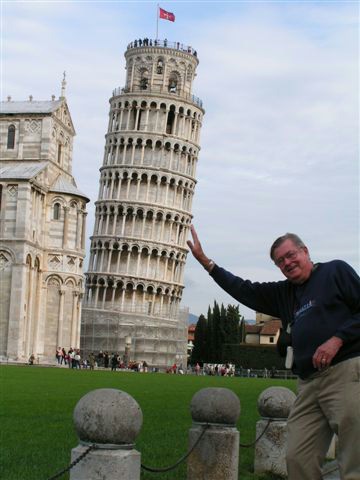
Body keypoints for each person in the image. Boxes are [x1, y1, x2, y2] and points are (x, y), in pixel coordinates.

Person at [187, 225, 360, 480]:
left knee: (353, 455)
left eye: (291, 255)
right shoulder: (284, 293)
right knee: (297, 457)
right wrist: (207, 264)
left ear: (305, 251)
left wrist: (337, 339)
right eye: (280, 261)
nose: (287, 263)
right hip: (308, 383)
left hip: (344, 372)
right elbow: (243, 288)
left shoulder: (335, 271)